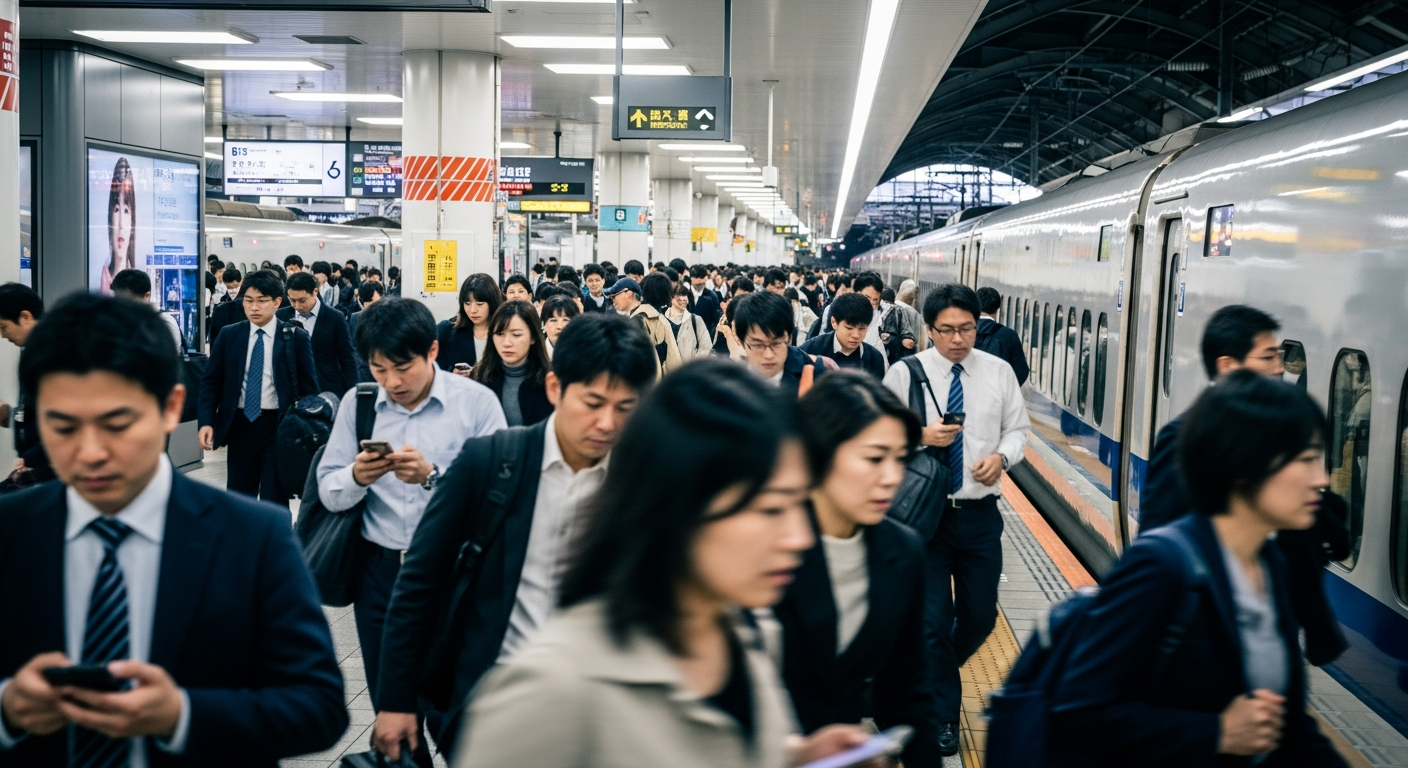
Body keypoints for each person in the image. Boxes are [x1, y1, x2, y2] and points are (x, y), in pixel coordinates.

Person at [452, 358, 876, 768]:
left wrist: (797, 756)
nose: (800, 537)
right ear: (682, 505)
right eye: (770, 509)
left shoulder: (748, 633)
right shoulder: (551, 691)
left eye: (800, 505)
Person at [0, 293, 347, 766]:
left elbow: (319, 707)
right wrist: (7, 708)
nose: (90, 452)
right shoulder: (11, 533)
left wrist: (181, 714)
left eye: (116, 423)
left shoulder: (252, 537)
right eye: (62, 426)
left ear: (169, 406)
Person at [372, 313, 658, 762]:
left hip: (600, 718)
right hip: (494, 707)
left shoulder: (641, 484)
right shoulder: (489, 463)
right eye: (593, 402)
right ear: (554, 389)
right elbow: (420, 583)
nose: (607, 423)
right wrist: (395, 700)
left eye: (625, 408)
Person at [1051, 371, 1348, 768]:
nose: (1321, 480)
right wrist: (1217, 733)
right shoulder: (1160, 568)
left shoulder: (1269, 564)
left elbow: (1287, 726)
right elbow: (1078, 711)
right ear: (1244, 464)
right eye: (1306, 459)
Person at [317, 297, 505, 768]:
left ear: (433, 351)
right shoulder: (358, 406)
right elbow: (328, 492)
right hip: (381, 577)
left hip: (455, 576)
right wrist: (358, 477)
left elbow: (499, 498)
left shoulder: (477, 404)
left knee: (463, 715)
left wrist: (432, 476)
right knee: (395, 717)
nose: (392, 382)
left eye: (403, 367)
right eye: (379, 369)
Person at [881, 283, 1029, 756]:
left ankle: (925, 672)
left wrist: (1002, 459)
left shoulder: (999, 372)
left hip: (980, 513)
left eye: (966, 328)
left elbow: (1018, 430)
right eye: (947, 330)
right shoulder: (906, 374)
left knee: (980, 618)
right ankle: (942, 714)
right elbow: (879, 436)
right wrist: (919, 434)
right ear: (929, 329)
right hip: (925, 519)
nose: (958, 339)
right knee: (931, 622)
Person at [776, 371, 942, 767]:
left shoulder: (903, 551)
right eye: (873, 458)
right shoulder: (765, 540)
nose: (892, 478)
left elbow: (907, 691)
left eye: (900, 459)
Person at [1141, 305, 1284, 531]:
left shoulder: (1271, 429)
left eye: (1279, 356)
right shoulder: (1184, 439)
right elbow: (1156, 534)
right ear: (1227, 366)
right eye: (1268, 358)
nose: (1279, 369)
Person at [197, 270, 320, 506]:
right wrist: (206, 421)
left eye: (261, 301)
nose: (254, 307)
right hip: (240, 425)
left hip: (278, 426)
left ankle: (277, 542)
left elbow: (310, 391)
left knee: (275, 497)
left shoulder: (295, 337)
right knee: (239, 497)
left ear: (276, 302)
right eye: (248, 300)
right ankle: (242, 543)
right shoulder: (229, 335)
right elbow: (211, 382)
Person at [732, 292, 830, 398]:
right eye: (758, 345)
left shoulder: (815, 375)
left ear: (789, 338)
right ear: (742, 342)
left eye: (776, 344)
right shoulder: (729, 385)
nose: (768, 355)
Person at [0, 284, 51, 489]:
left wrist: (37, 463)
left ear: (26, 317)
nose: (3, 336)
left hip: (45, 474)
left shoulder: (53, 356)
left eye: (4, 327)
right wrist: (9, 416)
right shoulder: (34, 353)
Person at [471, 302, 554, 427]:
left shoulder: (551, 379)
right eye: (499, 334)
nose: (506, 343)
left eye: (516, 335)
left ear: (533, 337)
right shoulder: (479, 377)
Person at [277, 271, 359, 397]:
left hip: (327, 388)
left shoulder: (335, 317)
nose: (297, 306)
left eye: (302, 300)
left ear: (315, 292)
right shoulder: (281, 316)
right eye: (292, 300)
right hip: (292, 390)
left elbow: (347, 358)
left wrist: (353, 393)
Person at [604, 276, 682, 378]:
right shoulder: (659, 318)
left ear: (628, 293)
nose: (613, 300)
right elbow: (672, 360)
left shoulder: (638, 320)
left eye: (614, 296)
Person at [800, 293, 887, 378]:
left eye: (862, 328)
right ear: (834, 322)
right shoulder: (810, 350)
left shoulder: (874, 359)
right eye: (849, 328)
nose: (856, 335)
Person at [436, 274, 503, 376]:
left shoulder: (505, 332)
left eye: (479, 304)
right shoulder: (447, 331)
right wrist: (451, 375)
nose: (472, 310)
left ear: (492, 303)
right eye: (467, 303)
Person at [110, 269, 185, 352]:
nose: (121, 306)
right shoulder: (120, 321)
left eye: (127, 301)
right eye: (117, 300)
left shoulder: (164, 322)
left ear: (147, 296)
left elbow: (165, 359)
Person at [973, 286, 1028, 386]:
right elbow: (1021, 371)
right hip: (997, 398)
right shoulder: (1009, 335)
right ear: (998, 308)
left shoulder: (961, 332)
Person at [100, 157, 137, 294]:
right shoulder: (103, 281)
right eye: (116, 210)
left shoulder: (140, 281)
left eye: (126, 211)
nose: (121, 224)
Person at [348, 281, 383, 384]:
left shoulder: (390, 318)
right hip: (362, 370)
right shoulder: (355, 318)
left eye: (373, 301)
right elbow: (352, 345)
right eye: (366, 301)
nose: (369, 305)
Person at [666, 282, 713, 360]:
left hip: (690, 368)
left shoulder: (696, 320)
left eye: (685, 296)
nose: (682, 300)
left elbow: (706, 346)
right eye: (678, 296)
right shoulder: (663, 319)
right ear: (671, 298)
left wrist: (693, 365)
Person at [688, 265, 723, 329]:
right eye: (696, 285)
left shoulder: (712, 296)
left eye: (701, 284)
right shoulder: (685, 294)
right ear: (691, 279)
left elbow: (716, 318)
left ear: (706, 279)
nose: (699, 287)